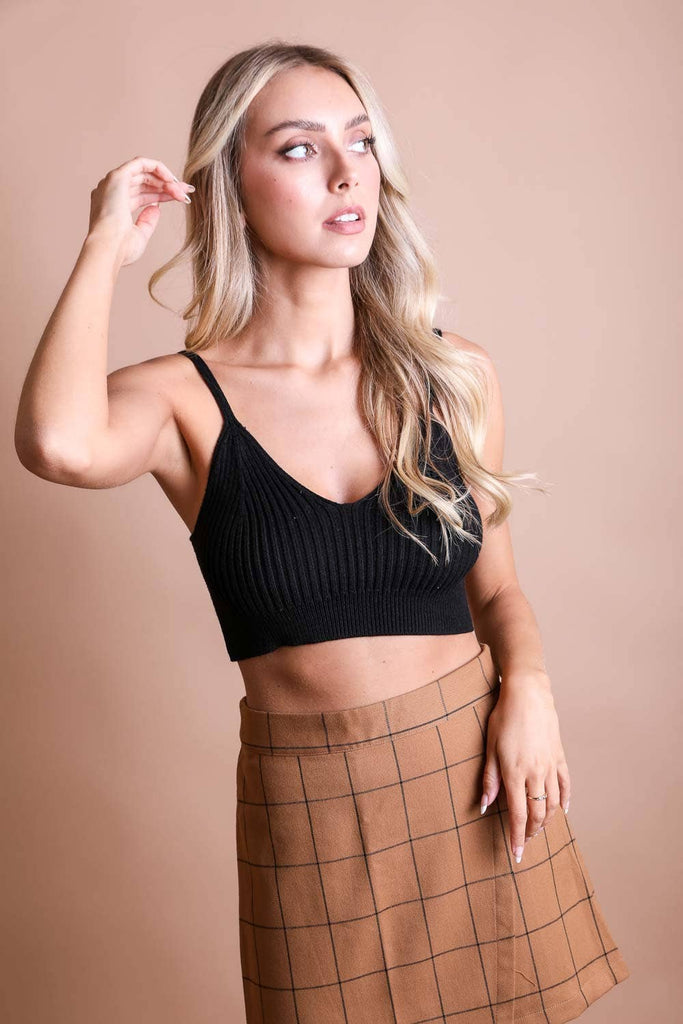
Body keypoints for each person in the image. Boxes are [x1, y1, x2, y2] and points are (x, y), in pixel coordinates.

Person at [15, 40, 630, 1024]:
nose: (348, 172)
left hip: (474, 776)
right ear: (231, 182)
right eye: (300, 148)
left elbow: (498, 589)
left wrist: (530, 694)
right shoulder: (182, 399)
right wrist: (104, 245)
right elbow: (57, 443)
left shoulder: (454, 376)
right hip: (311, 809)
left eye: (361, 141)